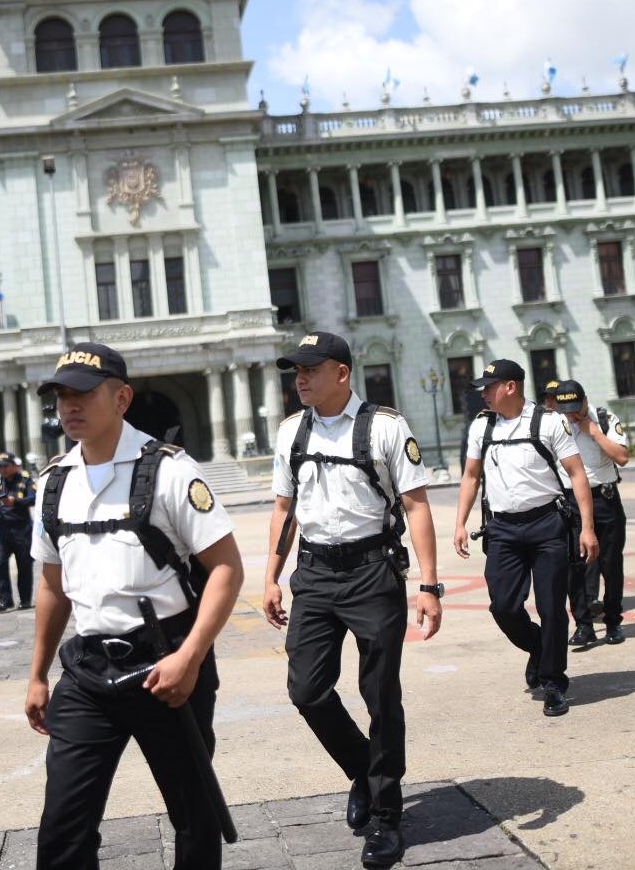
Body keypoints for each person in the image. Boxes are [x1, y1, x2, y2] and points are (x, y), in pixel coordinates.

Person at [25, 342, 244, 869]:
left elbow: (226, 569)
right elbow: (52, 587)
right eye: (60, 397)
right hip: (87, 672)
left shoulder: (170, 472)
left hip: (168, 664)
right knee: (63, 827)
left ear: (121, 398)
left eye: (82, 394)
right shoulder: (53, 483)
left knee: (194, 816)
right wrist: (36, 675)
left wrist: (189, 657)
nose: (69, 407)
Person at [262, 331, 442, 869]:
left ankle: (387, 815)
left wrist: (430, 587)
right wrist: (270, 577)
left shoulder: (385, 427)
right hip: (314, 572)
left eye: (310, 369)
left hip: (372, 571)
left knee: (380, 695)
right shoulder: (291, 432)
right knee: (307, 690)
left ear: (341, 373)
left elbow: (416, 505)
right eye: (295, 370)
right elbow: (284, 508)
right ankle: (364, 771)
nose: (300, 378)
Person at [454, 358, 598, 721]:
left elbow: (577, 474)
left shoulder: (548, 422)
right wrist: (460, 523)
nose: (483, 394)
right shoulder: (481, 428)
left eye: (489, 387)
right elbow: (471, 477)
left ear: (511, 387)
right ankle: (537, 646)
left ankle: (553, 682)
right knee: (503, 606)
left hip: (547, 525)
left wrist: (588, 527)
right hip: (502, 529)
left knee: (551, 607)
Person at [551, 382, 629, 647]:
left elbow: (622, 457)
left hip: (604, 501)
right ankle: (583, 625)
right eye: (567, 410)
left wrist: (593, 432)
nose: (573, 415)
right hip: (570, 503)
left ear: (585, 401)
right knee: (574, 567)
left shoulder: (605, 418)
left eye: (577, 408)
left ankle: (613, 622)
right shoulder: (555, 424)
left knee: (611, 565)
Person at [0, 452, 35, 612]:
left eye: (5, 466)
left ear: (14, 466)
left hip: (21, 529)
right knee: (0, 564)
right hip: (1, 530)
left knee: (24, 565)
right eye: (0, 466)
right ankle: (5, 600)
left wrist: (16, 501)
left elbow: (34, 498)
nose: (2, 469)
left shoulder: (25, 480)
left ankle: (25, 599)